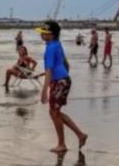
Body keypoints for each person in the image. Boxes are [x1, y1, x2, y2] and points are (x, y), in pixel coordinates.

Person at [36, 20, 87, 153]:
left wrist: (44, 91)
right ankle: (80, 135)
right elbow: (64, 63)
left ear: (52, 34)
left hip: (59, 81)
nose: (41, 34)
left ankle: (62, 144)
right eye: (41, 32)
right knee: (55, 112)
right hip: (63, 80)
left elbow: (49, 71)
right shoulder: (56, 44)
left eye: (44, 32)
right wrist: (62, 77)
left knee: (54, 112)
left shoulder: (50, 48)